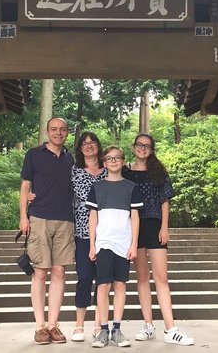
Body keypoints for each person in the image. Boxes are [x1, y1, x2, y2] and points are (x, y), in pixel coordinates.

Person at [122, 133, 194, 346]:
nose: (142, 148)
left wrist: (164, 227)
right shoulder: (125, 172)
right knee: (142, 277)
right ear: (133, 147)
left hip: (155, 224)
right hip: (133, 226)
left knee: (161, 277)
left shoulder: (158, 171)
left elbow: (164, 200)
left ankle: (170, 328)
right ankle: (148, 325)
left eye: (147, 146)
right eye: (139, 145)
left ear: (151, 150)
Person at [19, 117, 75, 345]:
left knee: (59, 272)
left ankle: (53, 325)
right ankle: (40, 326)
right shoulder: (33, 154)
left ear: (67, 132)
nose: (58, 133)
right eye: (54, 129)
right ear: (47, 131)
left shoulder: (72, 158)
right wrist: (24, 216)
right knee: (40, 272)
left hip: (65, 219)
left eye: (62, 130)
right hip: (39, 217)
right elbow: (24, 187)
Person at [87, 146, 142, 348]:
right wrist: (92, 244)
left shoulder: (131, 187)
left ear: (123, 160)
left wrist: (134, 243)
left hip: (123, 242)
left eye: (117, 158)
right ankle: (103, 329)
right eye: (109, 158)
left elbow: (135, 217)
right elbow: (93, 217)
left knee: (120, 284)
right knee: (103, 285)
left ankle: (116, 329)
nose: (113, 161)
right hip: (103, 243)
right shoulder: (97, 187)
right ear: (104, 162)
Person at [69, 132, 108, 342]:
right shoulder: (74, 171)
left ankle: (98, 324)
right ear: (80, 148)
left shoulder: (109, 170)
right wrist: (33, 195)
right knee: (84, 276)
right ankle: (78, 325)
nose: (89, 145)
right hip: (83, 233)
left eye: (92, 142)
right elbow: (60, 193)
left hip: (107, 233)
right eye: (84, 143)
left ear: (98, 146)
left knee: (103, 279)